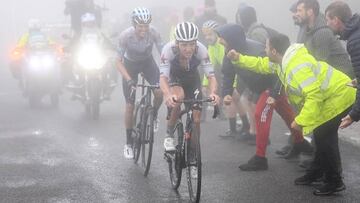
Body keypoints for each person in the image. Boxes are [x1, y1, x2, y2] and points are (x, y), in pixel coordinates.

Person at [227, 33, 355, 195]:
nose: (264, 50)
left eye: (266, 47)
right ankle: (317, 172)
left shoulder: (295, 67)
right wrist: (239, 58)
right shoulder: (282, 62)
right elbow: (261, 64)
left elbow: (314, 95)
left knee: (325, 136)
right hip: (330, 96)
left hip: (340, 95)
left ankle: (334, 180)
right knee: (321, 134)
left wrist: (300, 121)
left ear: (273, 51)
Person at [159, 22, 220, 156]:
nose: (188, 49)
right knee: (178, 98)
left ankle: (193, 154)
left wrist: (213, 93)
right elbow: (163, 78)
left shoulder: (201, 50)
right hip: (175, 77)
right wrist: (168, 94)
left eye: (192, 44)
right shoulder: (168, 50)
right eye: (184, 45)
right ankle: (169, 135)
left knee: (197, 119)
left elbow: (211, 76)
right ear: (177, 43)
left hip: (192, 79)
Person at [116, 7, 163, 159]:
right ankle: (128, 143)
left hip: (148, 63)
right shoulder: (125, 36)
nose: (144, 29)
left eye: (146, 26)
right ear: (134, 25)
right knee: (130, 105)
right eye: (140, 26)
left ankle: (154, 114)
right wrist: (129, 79)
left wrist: (166, 72)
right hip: (130, 66)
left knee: (159, 92)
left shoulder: (154, 32)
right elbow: (117, 61)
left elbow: (163, 53)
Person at [295, 0, 354, 77]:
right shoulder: (307, 30)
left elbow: (320, 65)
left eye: (299, 11)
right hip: (333, 78)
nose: (297, 14)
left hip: (345, 78)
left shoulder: (322, 32)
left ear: (310, 12)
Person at [325, 1, 360, 129]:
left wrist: (354, 114)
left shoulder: (355, 41)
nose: (327, 24)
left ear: (336, 20)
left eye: (328, 20)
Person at [201, 20, 239, 136]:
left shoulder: (222, 44)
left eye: (210, 34)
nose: (207, 37)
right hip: (231, 72)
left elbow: (234, 67)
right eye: (205, 35)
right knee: (236, 100)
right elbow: (209, 67)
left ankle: (239, 129)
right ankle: (238, 129)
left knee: (234, 98)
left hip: (240, 71)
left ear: (217, 34)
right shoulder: (212, 47)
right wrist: (205, 84)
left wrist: (234, 85)